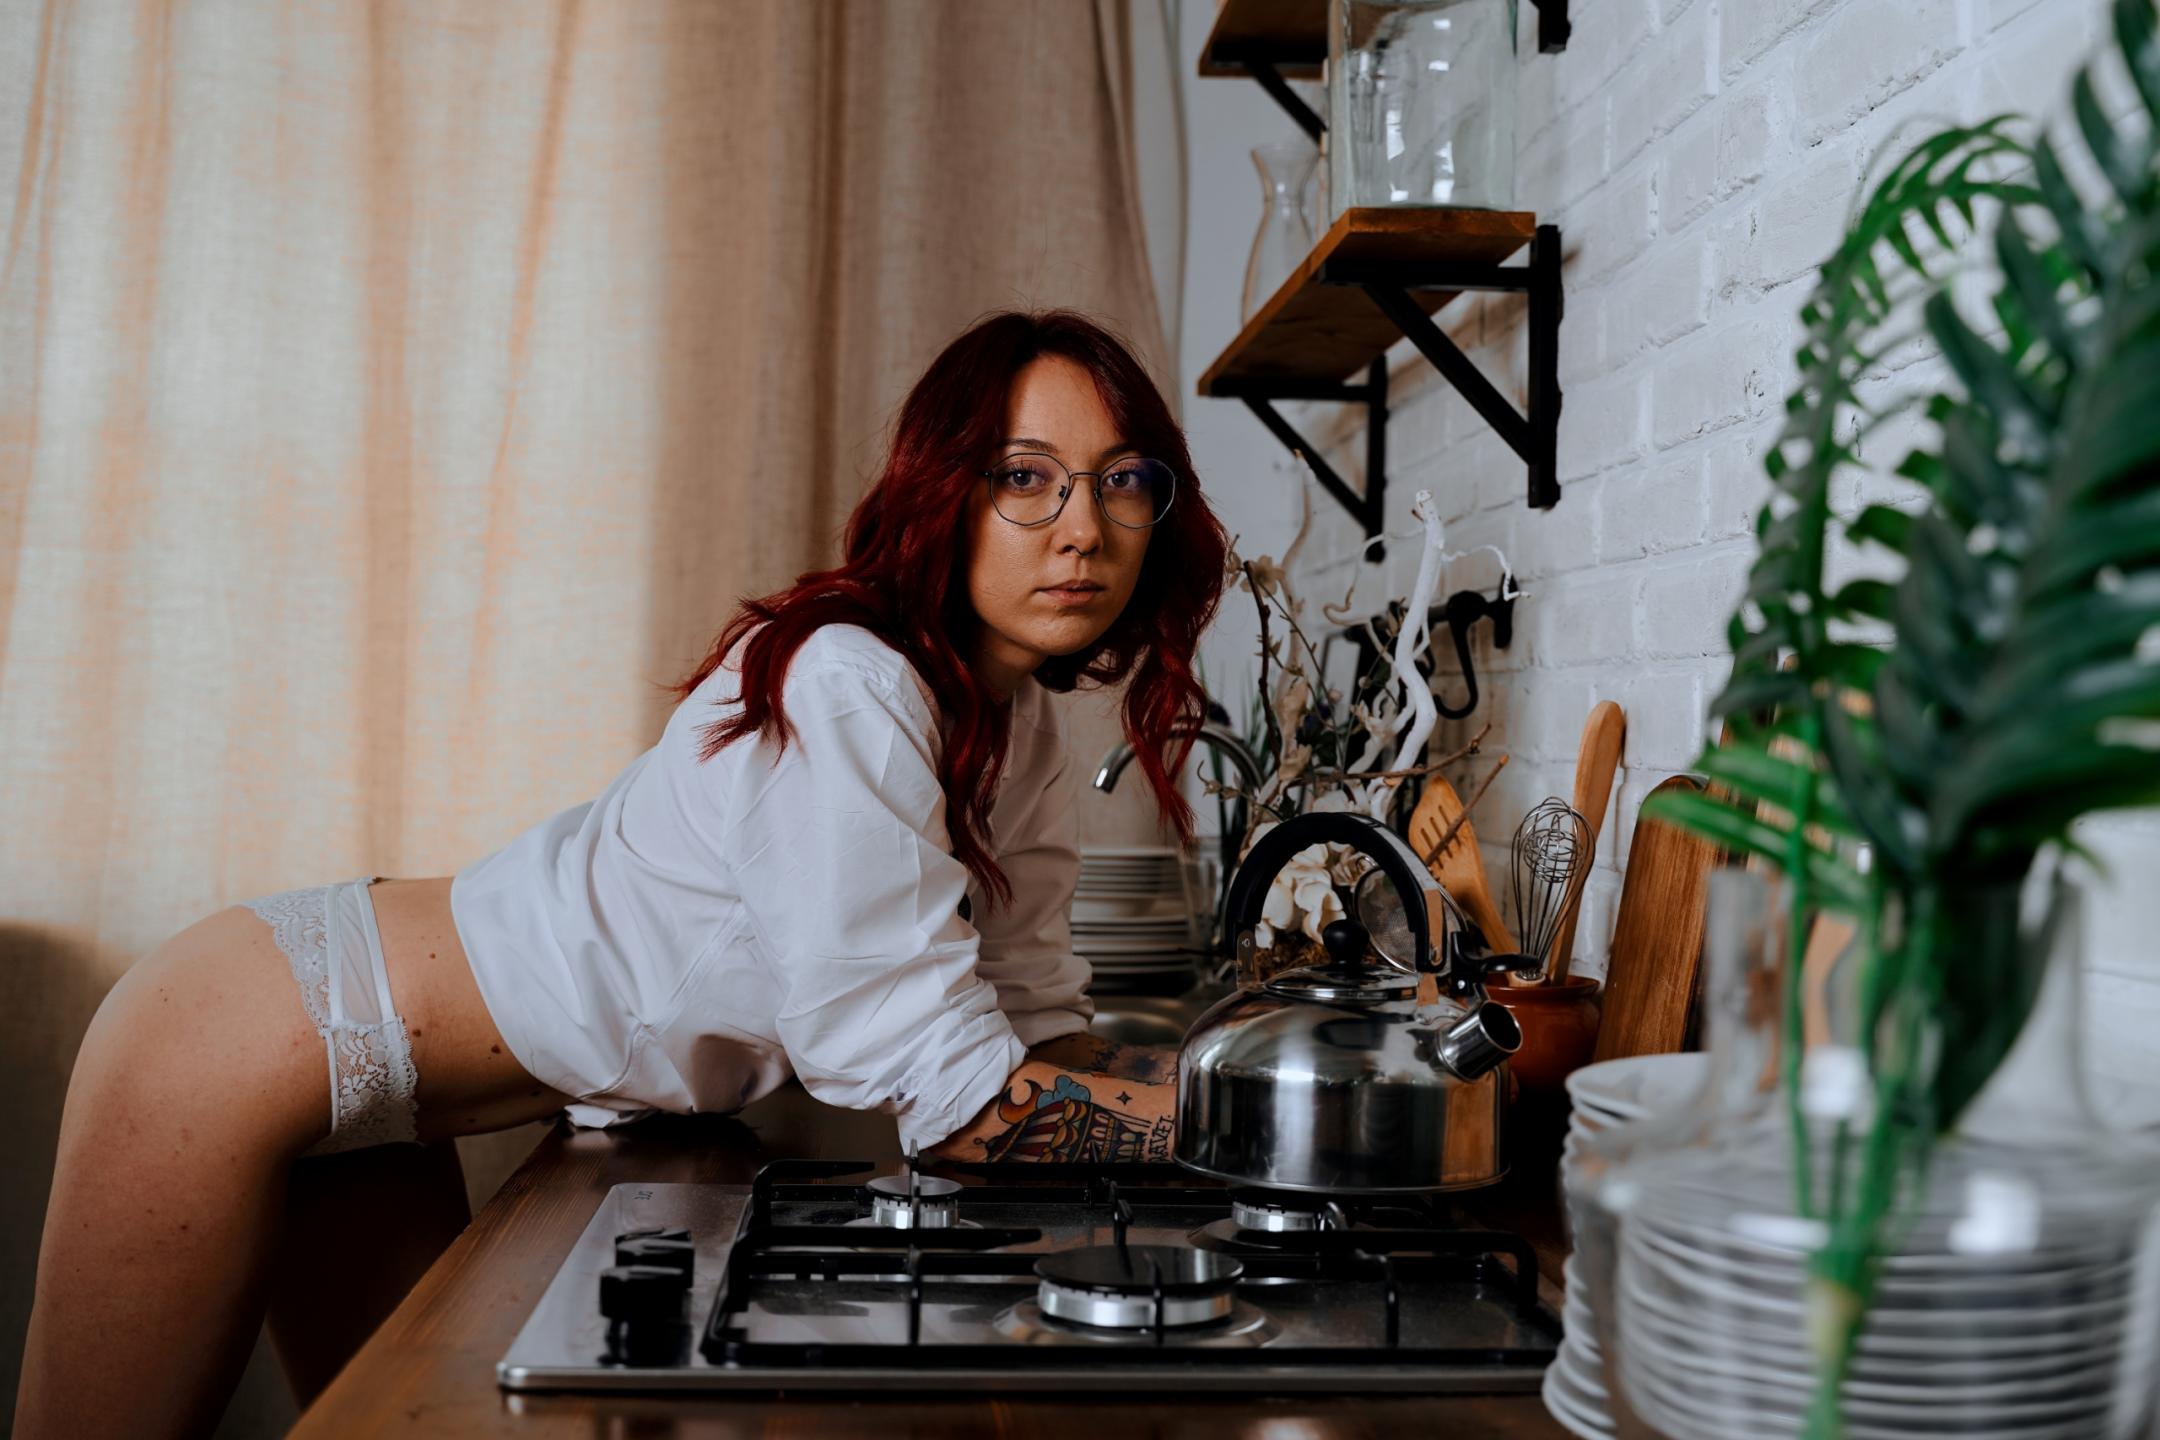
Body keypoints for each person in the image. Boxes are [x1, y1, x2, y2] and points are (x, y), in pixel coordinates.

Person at [14, 309, 1230, 1438]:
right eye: (1024, 476)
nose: (1084, 527)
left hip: (375, 1090)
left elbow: (1035, 1025)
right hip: (238, 1034)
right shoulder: (853, 684)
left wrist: (1245, 1087)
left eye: (1123, 479)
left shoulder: (1014, 730)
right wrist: (1276, 1123)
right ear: (941, 490)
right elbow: (962, 1107)